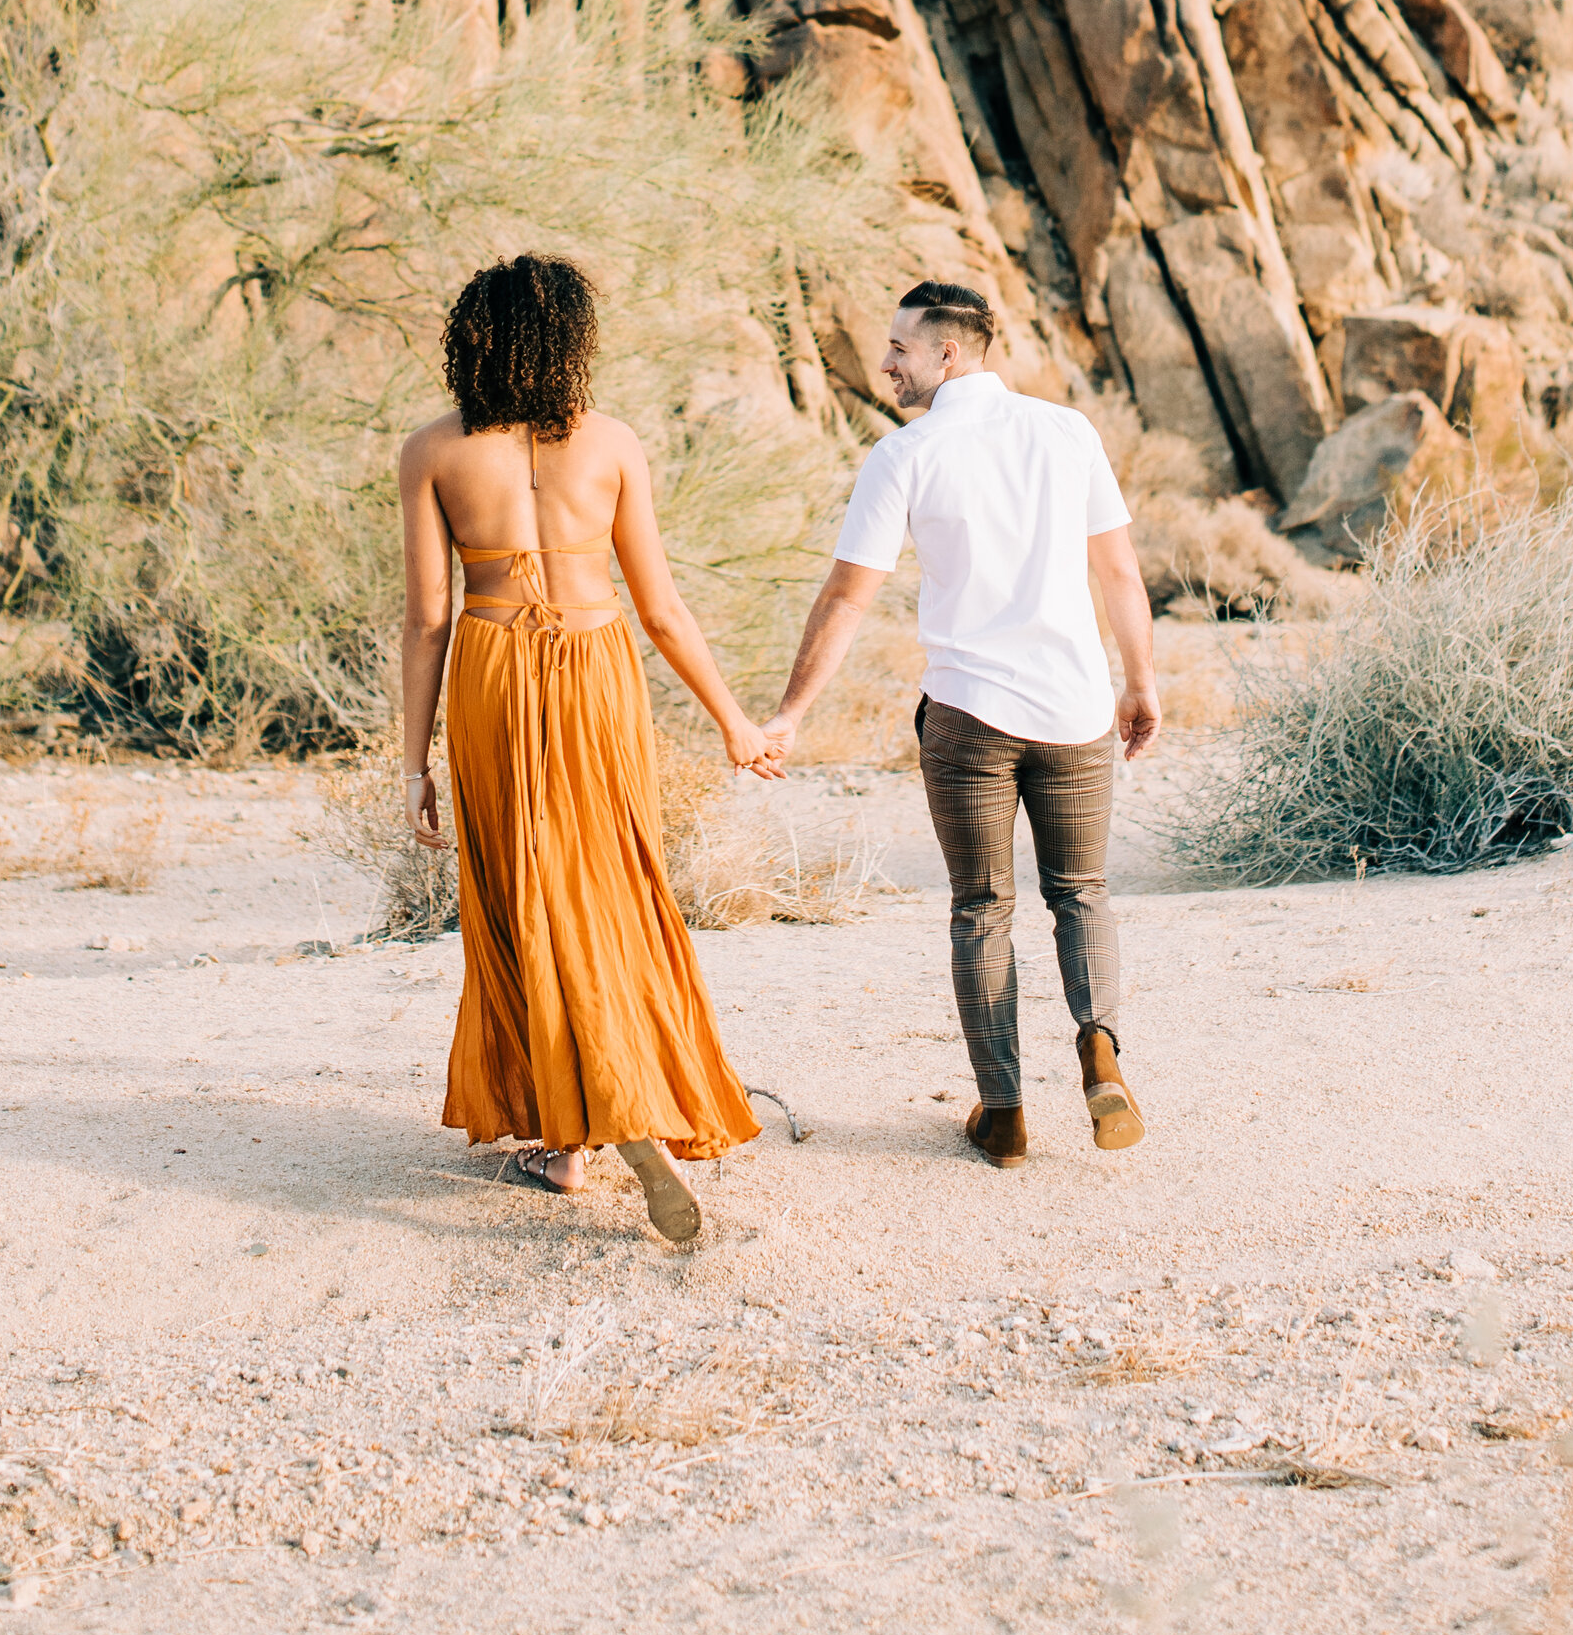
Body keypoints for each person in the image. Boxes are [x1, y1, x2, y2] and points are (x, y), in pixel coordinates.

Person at [399, 252, 781, 1248]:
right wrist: (734, 720)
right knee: (608, 881)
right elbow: (659, 607)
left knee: (523, 887)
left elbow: (426, 618)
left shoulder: (433, 450)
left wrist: (413, 765)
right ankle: (624, 1097)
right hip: (595, 666)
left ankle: (570, 1133)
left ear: (470, 339)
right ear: (570, 340)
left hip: (490, 670)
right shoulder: (611, 444)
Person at [762, 279, 1158, 1166]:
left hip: (969, 719)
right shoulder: (1067, 432)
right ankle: (1099, 1045)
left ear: (949, 352)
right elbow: (1121, 575)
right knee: (1081, 892)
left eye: (900, 346)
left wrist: (791, 712)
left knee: (982, 907)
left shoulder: (906, 453)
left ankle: (1005, 1111)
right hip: (1075, 710)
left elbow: (846, 598)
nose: (886, 361)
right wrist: (1138, 682)